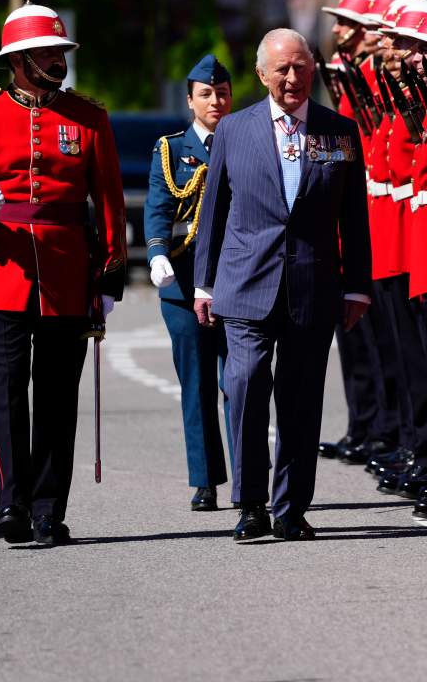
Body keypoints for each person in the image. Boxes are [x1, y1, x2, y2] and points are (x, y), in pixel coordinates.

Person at [0, 0, 126, 546]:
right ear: (18, 60)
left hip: (68, 271)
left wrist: (109, 270)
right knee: (8, 389)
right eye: (46, 52)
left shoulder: (89, 117)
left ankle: (48, 508)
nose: (58, 60)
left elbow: (109, 198)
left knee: (58, 393)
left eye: (60, 50)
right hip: (2, 266)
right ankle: (12, 503)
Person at [193, 27, 371, 542]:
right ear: (262, 74)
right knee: (245, 386)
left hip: (313, 286)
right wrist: (204, 285)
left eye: (301, 66)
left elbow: (352, 216)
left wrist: (357, 285)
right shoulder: (234, 130)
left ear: (314, 68)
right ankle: (251, 504)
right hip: (246, 283)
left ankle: (291, 506)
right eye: (282, 70)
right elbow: (215, 214)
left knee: (300, 399)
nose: (292, 78)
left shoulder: (337, 132)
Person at [144, 54, 235, 512]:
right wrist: (157, 252)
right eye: (206, 94)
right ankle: (205, 480)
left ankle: (249, 478)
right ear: (190, 100)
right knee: (197, 384)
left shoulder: (246, 140)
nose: (215, 101)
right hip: (183, 282)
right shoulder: (171, 148)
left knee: (240, 382)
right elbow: (159, 206)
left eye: (222, 93)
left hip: (237, 282)